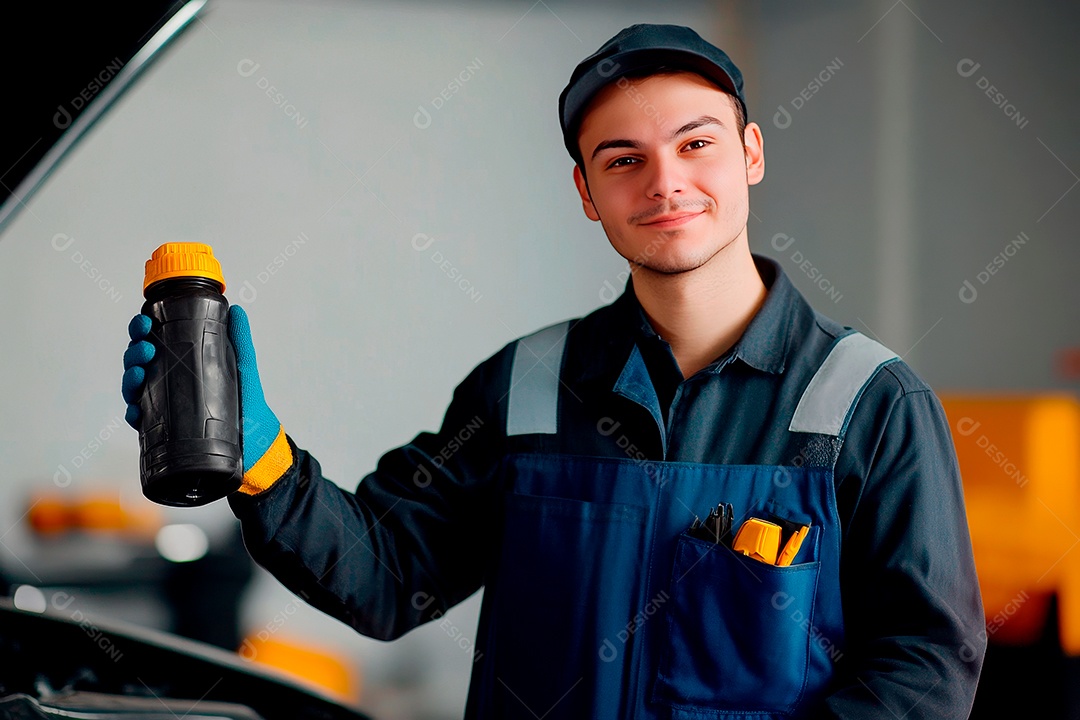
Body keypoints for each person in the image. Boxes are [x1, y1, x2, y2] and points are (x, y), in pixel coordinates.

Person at [122, 23, 985, 719]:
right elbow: (387, 577)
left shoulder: (867, 403)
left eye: (696, 144)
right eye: (624, 160)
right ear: (585, 191)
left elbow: (925, 667)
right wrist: (257, 456)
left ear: (751, 153)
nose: (666, 181)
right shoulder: (526, 388)